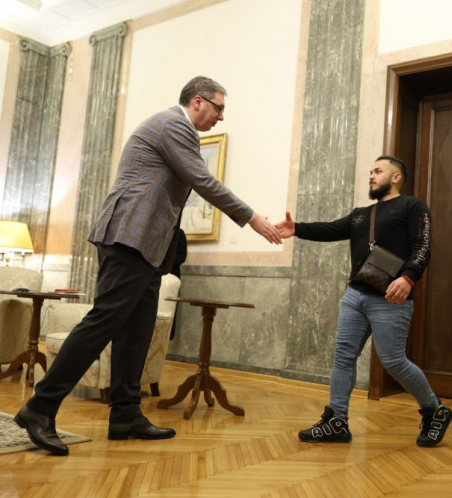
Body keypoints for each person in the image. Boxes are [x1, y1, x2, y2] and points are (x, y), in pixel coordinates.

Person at [14, 76, 282, 456]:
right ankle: (39, 408)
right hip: (129, 236)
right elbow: (201, 180)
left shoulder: (176, 129)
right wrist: (252, 217)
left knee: (136, 332)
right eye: (219, 108)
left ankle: (126, 414)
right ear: (198, 101)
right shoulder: (173, 124)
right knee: (103, 322)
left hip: (148, 247)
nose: (221, 117)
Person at [274, 155, 452, 448]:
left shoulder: (413, 206)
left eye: (378, 171)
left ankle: (435, 410)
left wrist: (408, 278)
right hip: (355, 295)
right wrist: (297, 229)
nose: (371, 175)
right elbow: (331, 229)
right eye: (370, 171)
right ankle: (337, 421)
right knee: (343, 356)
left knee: (393, 361)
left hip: (390, 297)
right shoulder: (361, 214)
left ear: (396, 177)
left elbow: (423, 246)